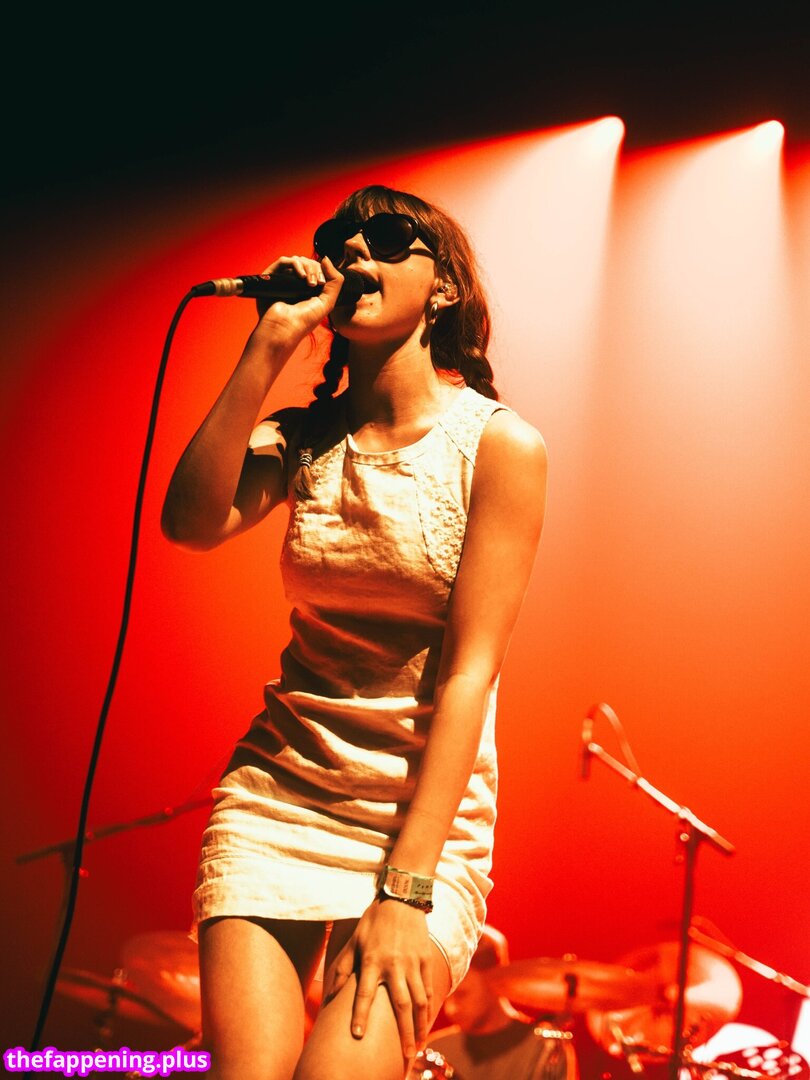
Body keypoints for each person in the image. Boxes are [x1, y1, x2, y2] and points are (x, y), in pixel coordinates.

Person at [161, 184, 548, 1080]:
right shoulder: (302, 437)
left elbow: (469, 674)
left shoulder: (499, 447)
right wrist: (269, 343)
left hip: (422, 827)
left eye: (386, 237)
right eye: (340, 241)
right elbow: (190, 521)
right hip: (281, 797)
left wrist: (406, 893)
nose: (354, 252)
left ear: (444, 287)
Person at [423, 925, 576, 1080]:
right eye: (448, 996)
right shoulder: (435, 1050)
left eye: (462, 994)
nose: (451, 1009)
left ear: (496, 983)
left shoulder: (545, 1048)